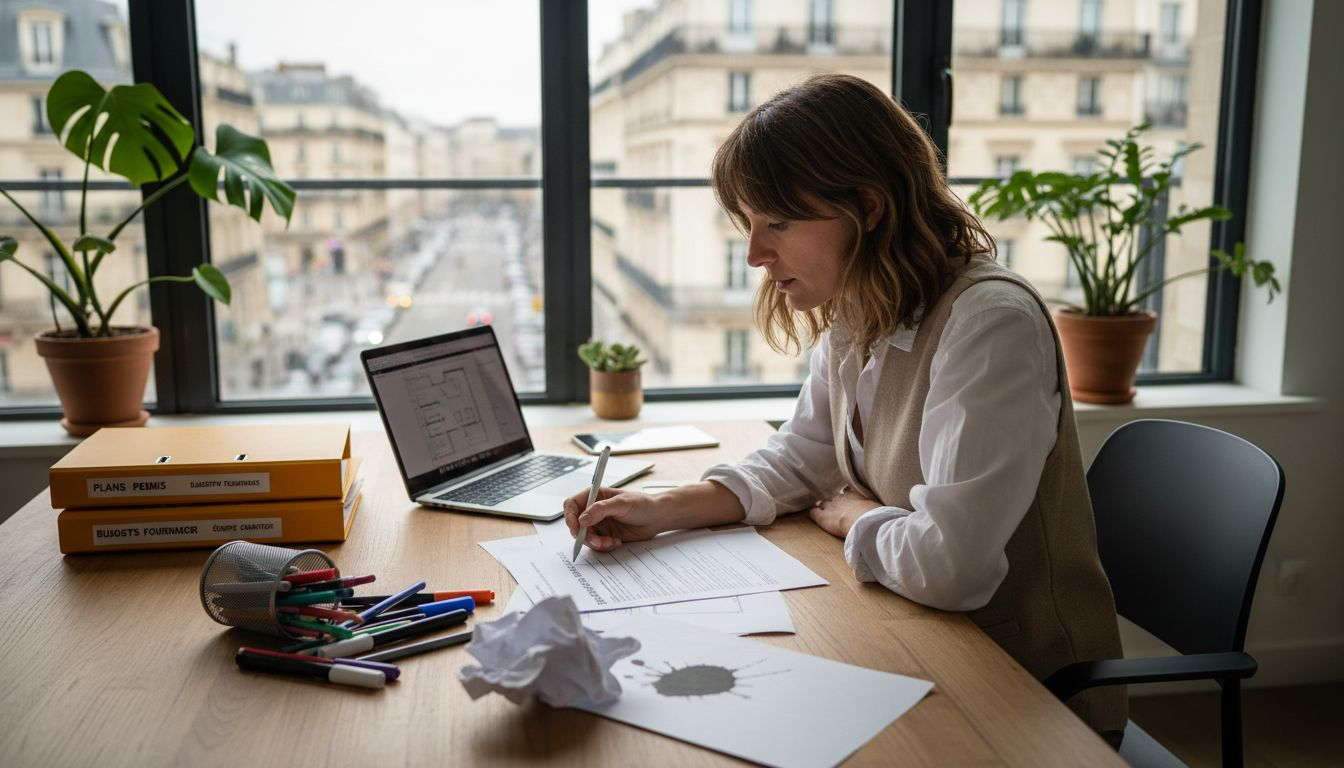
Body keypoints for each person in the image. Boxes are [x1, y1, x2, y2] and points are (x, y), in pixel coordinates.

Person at [562, 73, 1126, 743]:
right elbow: (806, 455)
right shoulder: (861, 306)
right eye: (748, 224)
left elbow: (952, 568)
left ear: (867, 206)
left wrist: (856, 516)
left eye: (778, 222)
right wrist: (666, 508)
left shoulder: (989, 324)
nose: (755, 255)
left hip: (1023, 692)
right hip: (921, 643)